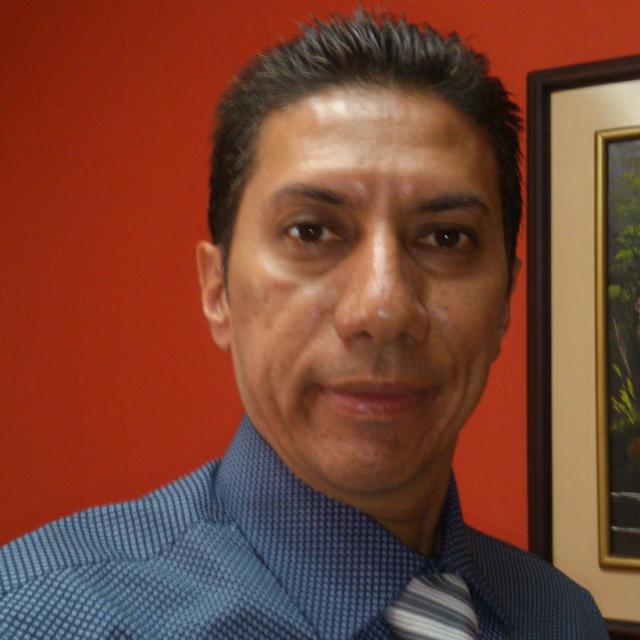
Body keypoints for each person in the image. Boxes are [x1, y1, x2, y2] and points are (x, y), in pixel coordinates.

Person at [0, 10, 607, 639]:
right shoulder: (38, 618)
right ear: (217, 291)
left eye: (446, 238)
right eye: (311, 231)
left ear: (505, 300)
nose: (382, 309)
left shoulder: (560, 617)